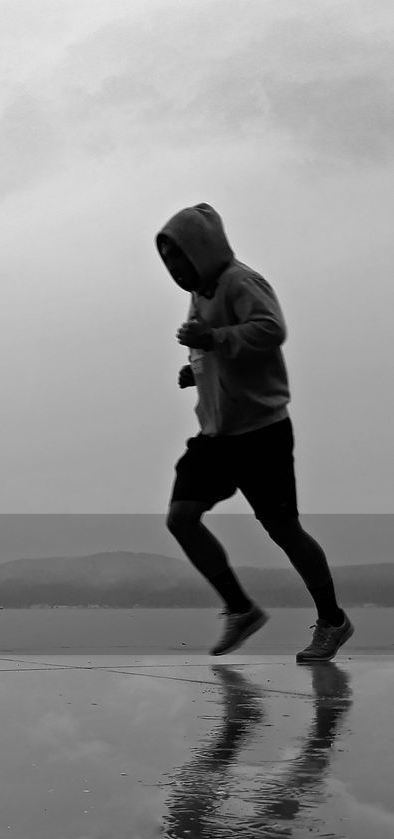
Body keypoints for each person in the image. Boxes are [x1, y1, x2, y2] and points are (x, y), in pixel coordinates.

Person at [156, 202, 353, 662]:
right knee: (181, 518)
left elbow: (268, 330)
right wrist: (197, 368)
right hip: (216, 435)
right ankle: (240, 609)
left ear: (201, 249)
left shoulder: (241, 281)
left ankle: (333, 620)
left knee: (284, 530)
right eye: (166, 262)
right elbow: (219, 345)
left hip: (261, 431)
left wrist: (214, 342)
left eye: (179, 257)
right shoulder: (201, 293)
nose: (173, 269)